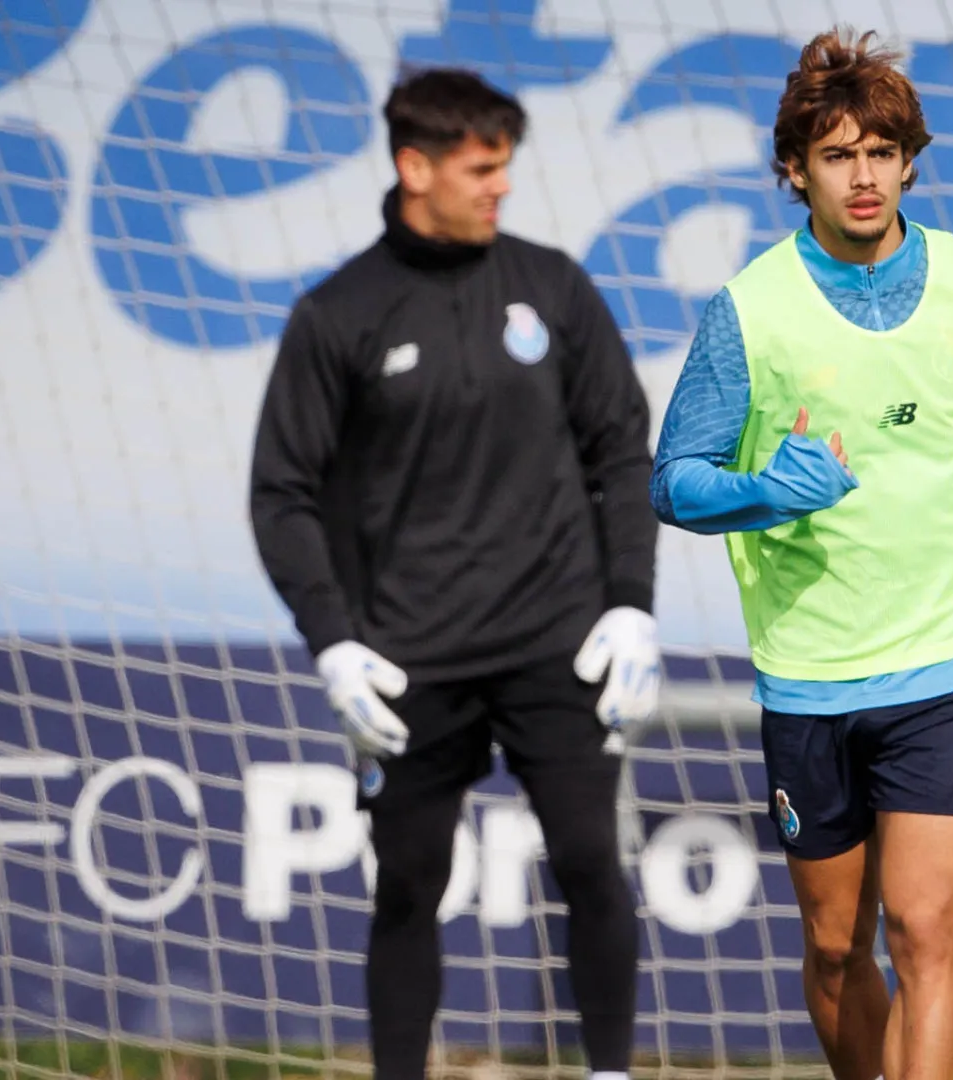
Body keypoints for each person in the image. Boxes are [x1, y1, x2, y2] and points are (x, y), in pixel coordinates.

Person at [649, 27, 953, 1080]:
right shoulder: (748, 310)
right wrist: (766, 493)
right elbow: (675, 478)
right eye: (838, 154)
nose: (864, 175)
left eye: (882, 150)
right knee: (836, 946)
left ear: (909, 161)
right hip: (812, 666)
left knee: (925, 929)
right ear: (794, 171)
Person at [247, 66, 658, 1080]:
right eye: (481, 170)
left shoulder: (553, 285)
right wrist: (335, 644)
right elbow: (282, 493)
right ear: (413, 166)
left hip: (555, 645)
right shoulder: (338, 315)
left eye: (505, 169)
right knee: (407, 885)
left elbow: (621, 449)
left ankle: (607, 1074)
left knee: (592, 868)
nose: (499, 189)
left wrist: (632, 608)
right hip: (409, 662)